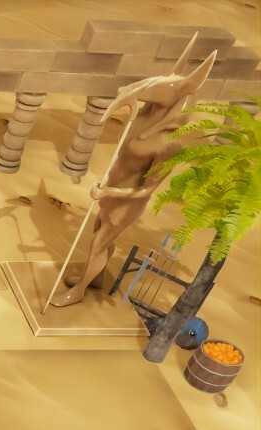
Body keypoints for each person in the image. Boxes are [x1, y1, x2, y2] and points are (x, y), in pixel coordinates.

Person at [50, 43, 216, 307]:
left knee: (99, 242)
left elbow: (147, 189)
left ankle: (79, 290)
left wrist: (109, 192)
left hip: (126, 202)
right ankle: (95, 278)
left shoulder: (169, 144)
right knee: (98, 234)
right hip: (110, 189)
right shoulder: (143, 120)